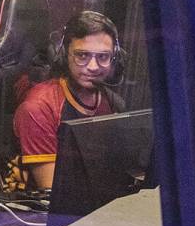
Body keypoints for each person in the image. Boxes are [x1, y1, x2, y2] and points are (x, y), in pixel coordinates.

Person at [13, 10, 125, 189]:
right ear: (65, 55)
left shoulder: (112, 102)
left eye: (103, 57)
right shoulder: (39, 107)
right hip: (46, 203)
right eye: (82, 55)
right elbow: (51, 189)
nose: (93, 67)